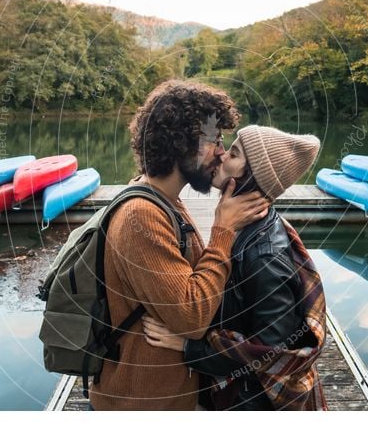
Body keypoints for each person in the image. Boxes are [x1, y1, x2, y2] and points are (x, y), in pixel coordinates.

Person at [89, 80, 270, 411]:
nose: (220, 150)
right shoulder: (140, 216)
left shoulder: (164, 200)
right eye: (214, 140)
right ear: (180, 142)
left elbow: (191, 287)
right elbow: (191, 317)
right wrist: (224, 229)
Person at [143, 125, 328, 410]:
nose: (221, 155)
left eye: (235, 153)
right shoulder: (242, 228)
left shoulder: (264, 257)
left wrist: (187, 346)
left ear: (251, 175)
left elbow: (269, 358)